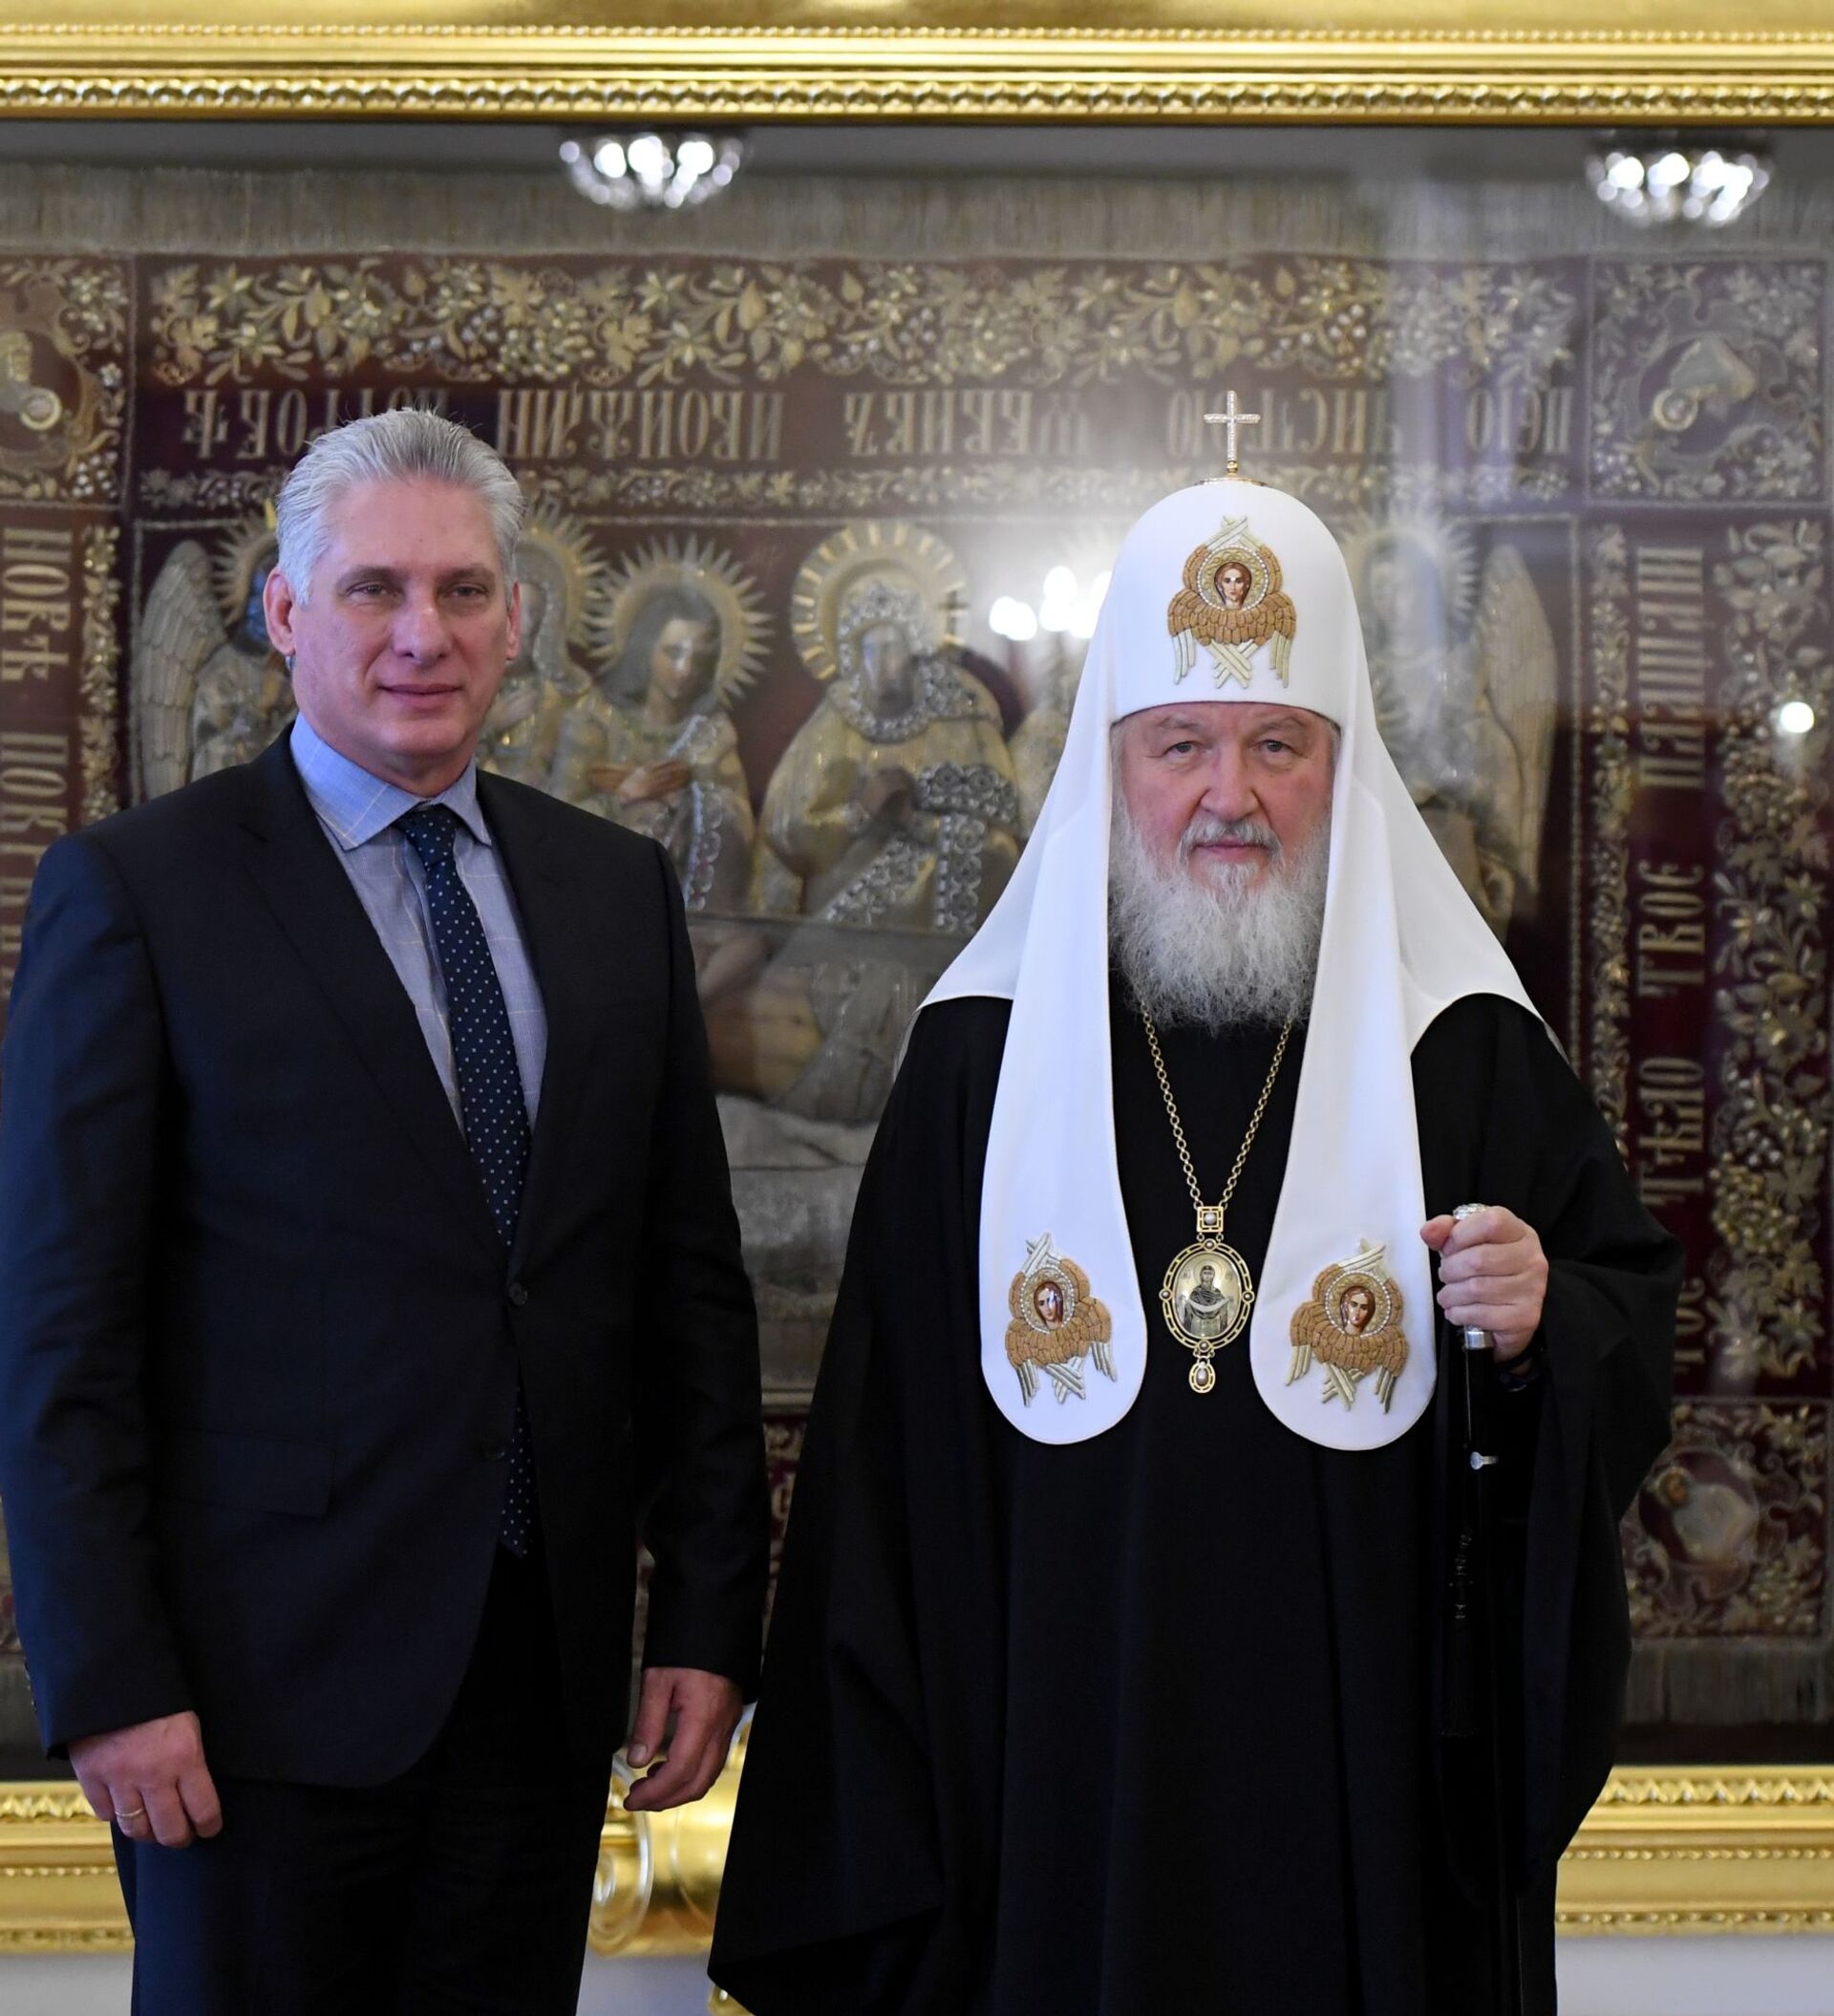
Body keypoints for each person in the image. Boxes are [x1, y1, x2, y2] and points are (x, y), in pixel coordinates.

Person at [711, 475, 1677, 2016]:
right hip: (1053, 1782)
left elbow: (1621, 1330)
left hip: (1359, 1779)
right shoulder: (978, 1057)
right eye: (1182, 746)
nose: (1231, 794)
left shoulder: (1465, 1048)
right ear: (1112, 765)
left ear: (1344, 765)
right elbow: (882, 1470)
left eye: (1277, 744)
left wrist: (1541, 1322)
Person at [0, 409, 769, 2014]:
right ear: (288, 612)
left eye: (463, 589)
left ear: (517, 617)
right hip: (248, 1709)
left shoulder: (612, 891)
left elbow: (684, 1288)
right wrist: (109, 1675)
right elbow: (61, 1326)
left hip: (537, 1688)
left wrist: (706, 1614)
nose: (424, 633)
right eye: (374, 589)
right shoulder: (140, 891)